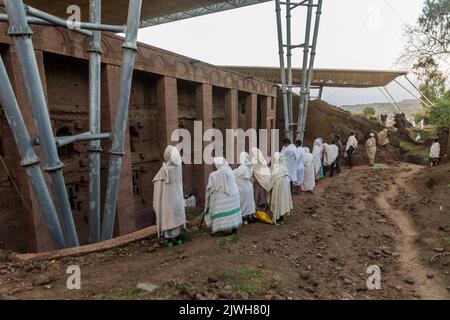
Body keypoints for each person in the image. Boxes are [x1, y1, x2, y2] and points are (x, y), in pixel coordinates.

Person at [153, 145, 186, 247]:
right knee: (177, 217)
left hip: (167, 201)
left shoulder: (164, 169)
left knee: (169, 219)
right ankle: (179, 239)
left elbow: (156, 181)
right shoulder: (177, 167)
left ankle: (170, 241)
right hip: (177, 198)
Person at [204, 157, 242, 235]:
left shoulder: (213, 175)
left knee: (218, 207)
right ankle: (233, 228)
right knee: (231, 209)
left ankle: (220, 230)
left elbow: (210, 189)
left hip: (223, 201)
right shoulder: (231, 172)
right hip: (234, 198)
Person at [270, 152, 293, 225]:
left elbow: (274, 177)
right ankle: (281, 217)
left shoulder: (277, 166)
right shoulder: (284, 165)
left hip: (279, 184)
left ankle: (279, 217)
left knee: (279, 200)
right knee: (283, 200)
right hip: (285, 184)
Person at [234, 152, 256, 224]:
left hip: (242, 189)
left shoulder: (242, 167)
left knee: (242, 203)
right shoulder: (250, 166)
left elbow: (235, 174)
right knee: (249, 203)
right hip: (249, 187)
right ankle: (249, 216)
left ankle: (244, 219)